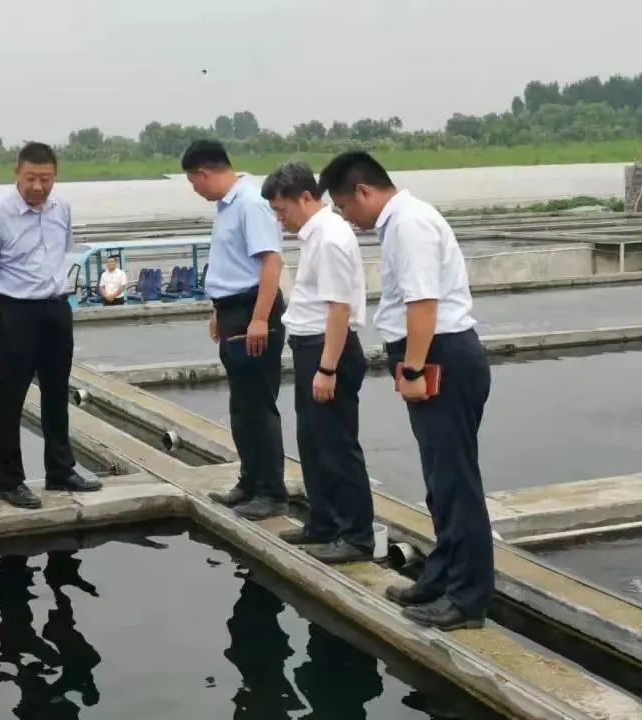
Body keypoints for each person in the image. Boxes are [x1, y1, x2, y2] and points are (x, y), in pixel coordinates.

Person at [318, 150, 493, 631]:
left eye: (345, 206)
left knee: (455, 483)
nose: (347, 218)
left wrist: (414, 369)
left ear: (364, 191)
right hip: (434, 355)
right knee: (440, 482)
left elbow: (423, 303)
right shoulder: (400, 222)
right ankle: (441, 577)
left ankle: (467, 599)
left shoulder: (409, 224)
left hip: (440, 357)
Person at [0, 142, 103, 509]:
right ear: (17, 172)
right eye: (31, 178)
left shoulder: (62, 209)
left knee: (57, 392)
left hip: (57, 308)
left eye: (46, 179)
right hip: (17, 311)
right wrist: (8, 304)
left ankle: (60, 470)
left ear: (55, 176)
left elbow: (62, 252)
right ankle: (9, 481)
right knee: (11, 396)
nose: (38, 186)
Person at [260, 161, 376, 564]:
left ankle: (356, 535)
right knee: (313, 442)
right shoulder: (315, 235)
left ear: (305, 197)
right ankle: (323, 523)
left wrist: (327, 368)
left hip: (329, 350)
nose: (280, 219)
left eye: (281, 210)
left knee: (337, 444)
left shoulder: (329, 237)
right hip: (311, 347)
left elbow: (339, 309)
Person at [182, 139, 287, 520]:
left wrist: (259, 318)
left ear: (203, 173)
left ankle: (271, 492)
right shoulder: (227, 207)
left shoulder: (250, 203)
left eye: (193, 182)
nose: (196, 190)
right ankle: (250, 481)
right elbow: (231, 262)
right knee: (241, 406)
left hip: (252, 310)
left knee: (258, 405)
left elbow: (271, 262)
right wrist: (218, 310)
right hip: (232, 310)